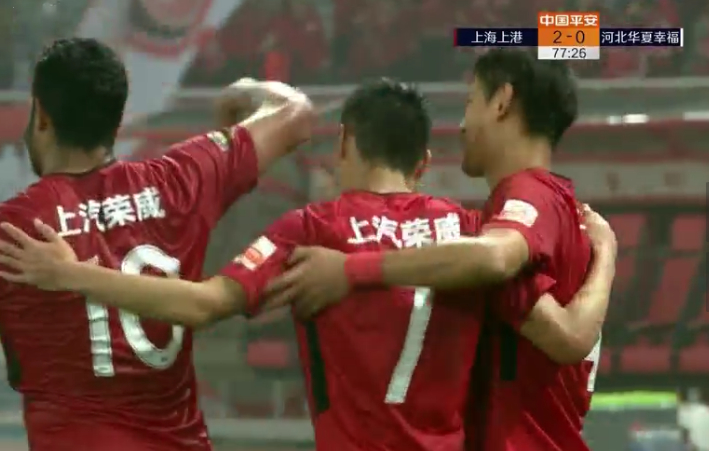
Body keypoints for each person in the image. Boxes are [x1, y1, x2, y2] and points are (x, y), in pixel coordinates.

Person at [0, 79, 615, 451]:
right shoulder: (468, 236)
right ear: (425, 162)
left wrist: (72, 273)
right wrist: (605, 256)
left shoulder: (313, 231)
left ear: (344, 142)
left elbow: (203, 304)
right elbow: (565, 337)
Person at [260, 49, 609, 451]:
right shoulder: (557, 213)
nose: (461, 125)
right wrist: (607, 257)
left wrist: (349, 269)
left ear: (502, 102)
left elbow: (503, 267)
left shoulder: (527, 198)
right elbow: (568, 331)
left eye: (470, 102)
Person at [0, 38, 314, 451]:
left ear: (41, 115)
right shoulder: (182, 180)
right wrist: (246, 91)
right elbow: (295, 113)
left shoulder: (15, 230)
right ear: (118, 119)